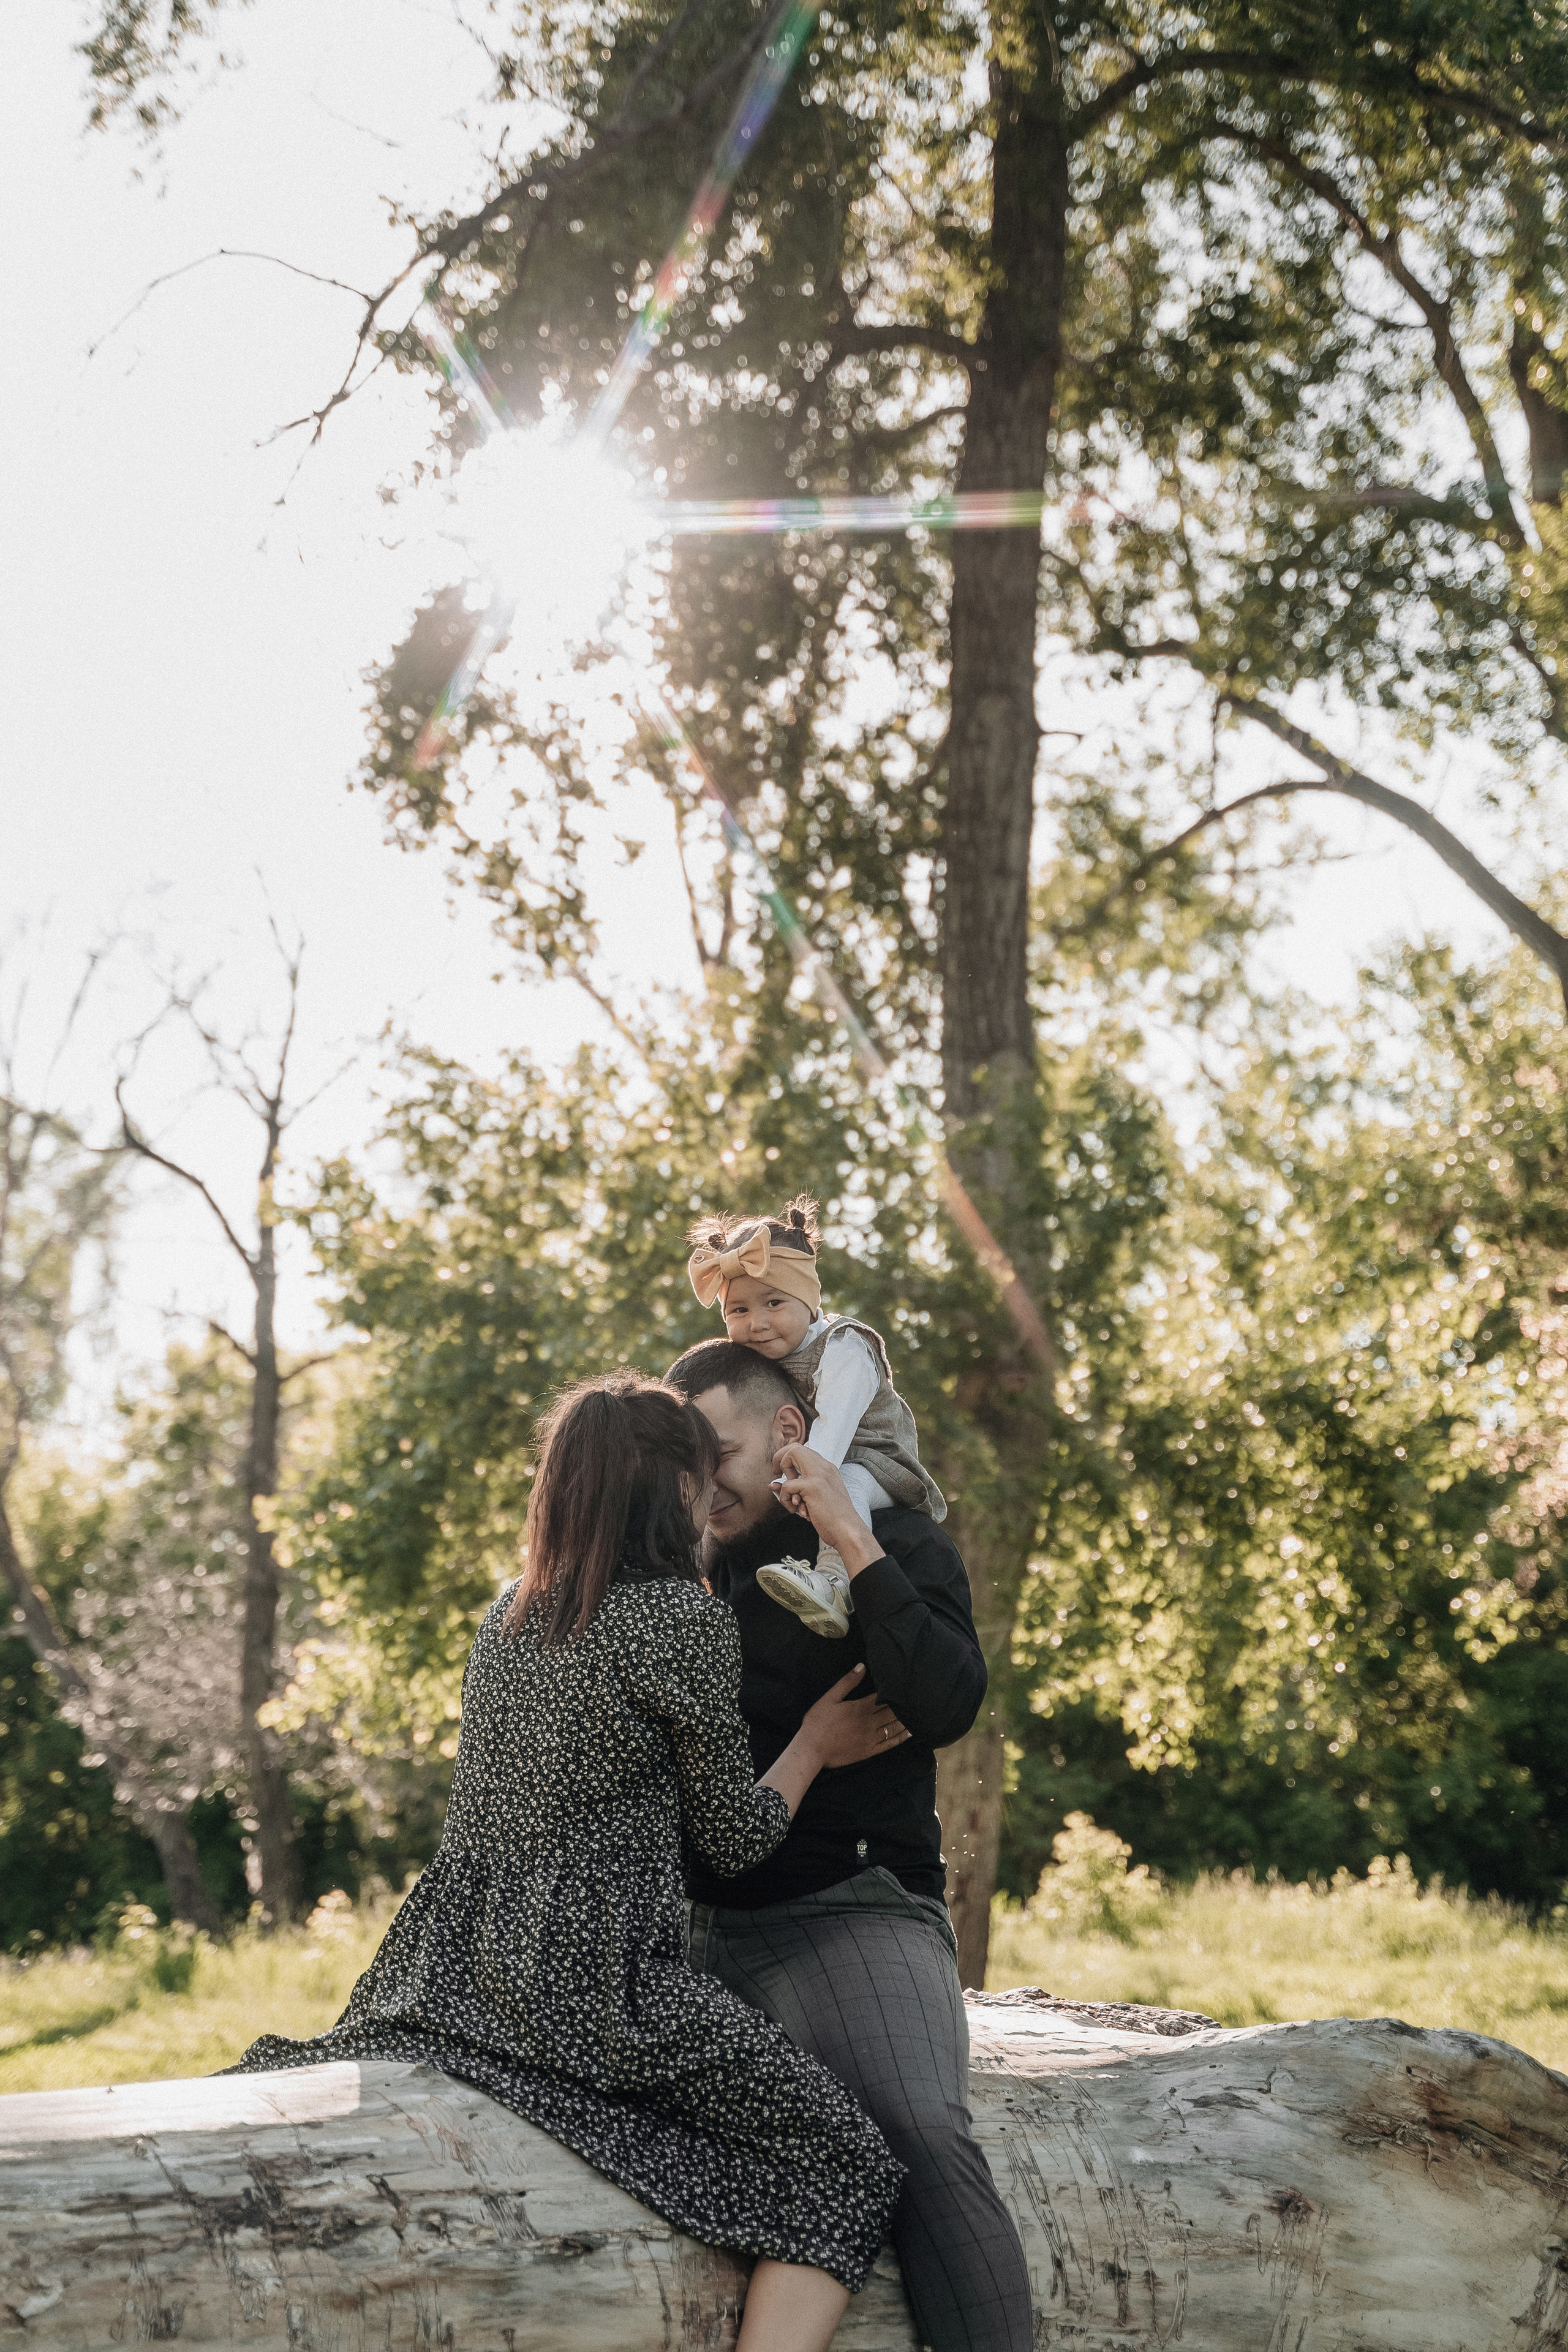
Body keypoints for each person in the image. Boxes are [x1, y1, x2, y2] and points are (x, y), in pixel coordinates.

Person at [227, 1371, 908, 2352]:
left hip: (446, 1968)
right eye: (697, 1469)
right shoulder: (679, 1618)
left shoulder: (508, 1612)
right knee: (849, 2161)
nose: (711, 1488)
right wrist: (811, 1744)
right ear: (665, 1489)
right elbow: (735, 1841)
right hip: (593, 1984)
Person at [664, 1338, 1035, 2352]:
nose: (701, 1481)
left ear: (791, 1433)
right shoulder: (684, 1570)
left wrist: (850, 1540)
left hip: (845, 1912)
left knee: (918, 2129)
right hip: (681, 1931)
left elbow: (948, 1702)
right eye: (682, 1459)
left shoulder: (897, 1541)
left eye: (719, 1451)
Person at [687, 1195, 944, 1637]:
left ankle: (833, 1582)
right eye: (739, 1311)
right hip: (816, 1461)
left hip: (876, 1460)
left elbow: (835, 1427)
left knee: (842, 1484)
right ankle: (694, 1584)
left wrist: (803, 1476)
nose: (757, 1324)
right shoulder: (765, 1356)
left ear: (808, 1299)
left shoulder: (845, 1347)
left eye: (773, 1304)